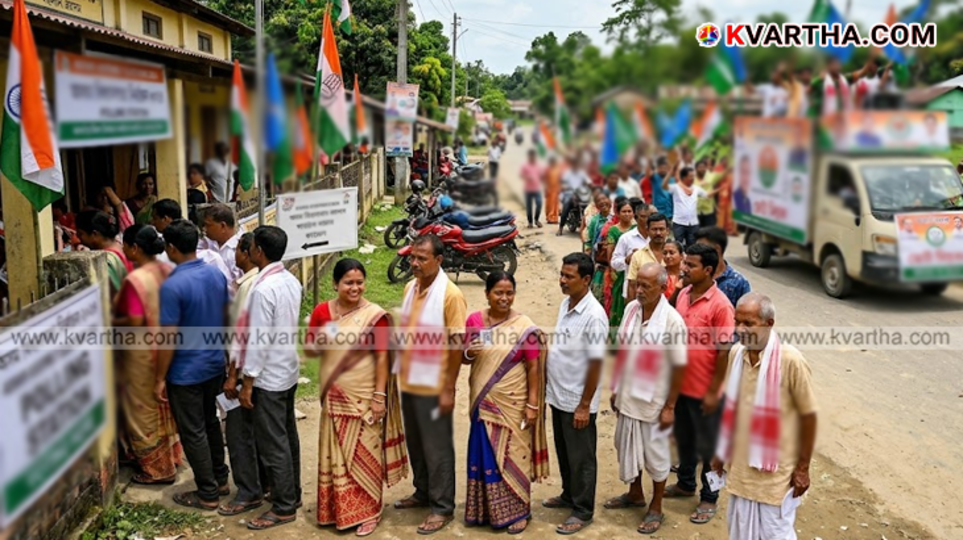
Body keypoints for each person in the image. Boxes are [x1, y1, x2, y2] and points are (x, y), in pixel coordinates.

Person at [305, 259, 408, 536]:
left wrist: (379, 396)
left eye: (359, 282)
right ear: (335, 284)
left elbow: (383, 358)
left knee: (366, 454)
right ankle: (337, 509)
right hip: (334, 393)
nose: (355, 287)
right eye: (348, 283)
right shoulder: (322, 311)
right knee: (335, 452)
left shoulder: (376, 317)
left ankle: (370, 511)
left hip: (364, 396)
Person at [713, 293, 817, 540]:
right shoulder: (737, 354)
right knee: (739, 528)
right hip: (740, 467)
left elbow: (808, 417)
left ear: (769, 324)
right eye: (738, 322)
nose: (740, 330)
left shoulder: (790, 360)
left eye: (748, 323)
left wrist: (803, 468)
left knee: (774, 532)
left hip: (775, 473)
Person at [463, 272, 550, 534]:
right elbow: (465, 357)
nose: (504, 298)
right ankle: (484, 510)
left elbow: (533, 367)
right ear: (487, 293)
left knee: (514, 454)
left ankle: (519, 510)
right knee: (484, 454)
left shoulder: (524, 326)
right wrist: (468, 352)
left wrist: (532, 405)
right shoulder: (475, 320)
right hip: (483, 400)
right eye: (498, 292)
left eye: (509, 292)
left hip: (513, 403)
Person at [393, 234, 467, 536]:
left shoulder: (450, 295)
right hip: (410, 377)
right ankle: (422, 491)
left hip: (435, 383)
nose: (414, 263)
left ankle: (442, 507)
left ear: (439, 260)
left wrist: (449, 388)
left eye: (422, 258)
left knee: (437, 446)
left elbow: (456, 346)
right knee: (416, 440)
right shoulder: (411, 288)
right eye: (413, 257)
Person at [155, 219, 231, 511]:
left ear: (171, 247)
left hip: (185, 371)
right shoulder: (215, 274)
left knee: (193, 430)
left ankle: (208, 492)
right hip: (214, 363)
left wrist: (159, 377)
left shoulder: (172, 285)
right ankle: (220, 479)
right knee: (210, 421)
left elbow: (168, 337)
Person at [607, 263, 687, 535]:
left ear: (663, 288)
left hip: (655, 399)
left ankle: (656, 505)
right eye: (637, 284)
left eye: (645, 286)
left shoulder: (673, 321)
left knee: (656, 454)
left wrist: (670, 407)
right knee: (626, 444)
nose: (638, 290)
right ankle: (634, 493)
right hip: (628, 394)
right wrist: (615, 388)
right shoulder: (631, 310)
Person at [235, 226, 304, 531]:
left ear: (259, 251)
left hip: (269, 376)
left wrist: (247, 382)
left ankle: (284, 505)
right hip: (285, 370)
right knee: (287, 435)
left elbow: (258, 340)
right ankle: (292, 494)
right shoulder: (290, 280)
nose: (247, 252)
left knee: (273, 441)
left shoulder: (264, 289)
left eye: (250, 248)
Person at [664, 243, 735, 526]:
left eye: (690, 265)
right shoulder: (681, 295)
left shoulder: (721, 306)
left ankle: (709, 497)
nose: (684, 269)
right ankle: (685, 483)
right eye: (684, 263)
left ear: (708, 270)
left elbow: (724, 351)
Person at [541, 253, 609, 535]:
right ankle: (568, 495)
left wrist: (584, 405)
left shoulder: (594, 317)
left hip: (577, 401)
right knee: (565, 451)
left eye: (569, 276)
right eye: (562, 274)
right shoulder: (566, 304)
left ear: (586, 280)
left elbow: (595, 363)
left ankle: (582, 509)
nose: (562, 280)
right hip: (558, 395)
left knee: (582, 457)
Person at [113, 224, 183, 485]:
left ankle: (157, 469)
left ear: (135, 248)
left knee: (142, 410)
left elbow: (133, 320)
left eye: (126, 245)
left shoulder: (135, 279)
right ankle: (172, 458)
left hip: (142, 353)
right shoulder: (167, 269)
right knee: (163, 406)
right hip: (167, 348)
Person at [218, 232, 269, 519]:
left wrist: (233, 377)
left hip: (244, 373)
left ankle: (249, 491)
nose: (234, 255)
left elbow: (242, 337)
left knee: (239, 434)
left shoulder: (250, 287)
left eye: (238, 249)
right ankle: (263, 485)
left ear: (247, 253)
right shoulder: (257, 282)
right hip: (260, 370)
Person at [596, 198, 637, 327]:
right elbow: (610, 252)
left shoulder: (637, 229)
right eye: (624, 211)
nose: (627, 214)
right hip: (618, 270)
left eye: (629, 211)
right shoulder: (613, 230)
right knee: (617, 300)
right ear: (618, 213)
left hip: (634, 269)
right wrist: (613, 270)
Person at [76, 210, 132, 297]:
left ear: (94, 234)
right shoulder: (120, 246)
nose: (79, 239)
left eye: (81, 234)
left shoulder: (106, 259)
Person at [695, 226, 752, 307]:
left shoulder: (738, 282)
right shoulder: (694, 275)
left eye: (702, 248)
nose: (697, 252)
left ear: (717, 249)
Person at [611, 201, 653, 302]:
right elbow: (614, 263)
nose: (647, 220)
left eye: (649, 216)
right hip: (632, 288)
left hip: (653, 288)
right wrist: (627, 260)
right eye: (643, 216)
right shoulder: (626, 238)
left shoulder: (656, 238)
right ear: (636, 217)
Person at [665, 165, 711, 249]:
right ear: (683, 177)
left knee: (692, 247)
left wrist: (720, 188)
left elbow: (707, 195)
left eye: (694, 176)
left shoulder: (696, 188)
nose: (693, 178)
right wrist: (670, 172)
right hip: (679, 223)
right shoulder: (676, 188)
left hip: (693, 223)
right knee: (678, 246)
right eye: (690, 176)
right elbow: (664, 186)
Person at [626, 213, 669, 301]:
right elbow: (632, 285)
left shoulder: (675, 255)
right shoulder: (637, 256)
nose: (658, 233)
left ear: (667, 231)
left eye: (661, 229)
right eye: (654, 229)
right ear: (647, 230)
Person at [201, 203, 244, 285]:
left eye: (208, 225)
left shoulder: (237, 251)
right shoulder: (206, 244)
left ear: (222, 226)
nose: (205, 229)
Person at [557, 157, 591, 236]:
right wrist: (565, 187)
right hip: (569, 193)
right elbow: (562, 183)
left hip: (580, 194)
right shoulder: (567, 173)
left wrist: (592, 186)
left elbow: (589, 181)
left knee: (590, 205)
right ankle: (560, 227)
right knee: (566, 205)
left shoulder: (582, 173)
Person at [520, 149, 545, 228]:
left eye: (534, 156)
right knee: (529, 207)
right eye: (531, 156)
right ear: (529, 157)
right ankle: (530, 222)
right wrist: (528, 177)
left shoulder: (538, 166)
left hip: (536, 189)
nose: (533, 158)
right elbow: (521, 175)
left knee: (539, 203)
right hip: (528, 190)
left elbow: (541, 176)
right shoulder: (525, 166)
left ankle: (536, 219)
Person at [714, 156, 738, 236]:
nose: (726, 162)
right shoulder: (718, 168)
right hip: (722, 193)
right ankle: (720, 229)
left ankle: (730, 230)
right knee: (722, 212)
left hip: (731, 193)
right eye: (725, 161)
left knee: (730, 212)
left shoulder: (731, 170)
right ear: (722, 161)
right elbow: (717, 179)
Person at [585, 192, 614, 257]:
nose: (602, 201)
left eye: (604, 198)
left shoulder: (617, 217)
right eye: (598, 201)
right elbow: (590, 239)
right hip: (600, 252)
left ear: (610, 200)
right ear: (596, 206)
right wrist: (588, 251)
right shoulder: (594, 221)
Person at [662, 240, 684, 304]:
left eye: (671, 253)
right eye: (665, 253)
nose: (668, 256)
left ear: (681, 256)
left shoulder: (687, 275)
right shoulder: (659, 274)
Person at [545, 154, 563, 224]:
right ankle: (549, 217)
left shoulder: (558, 169)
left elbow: (561, 179)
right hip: (550, 188)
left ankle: (555, 218)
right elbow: (545, 179)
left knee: (555, 204)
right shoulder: (548, 169)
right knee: (550, 204)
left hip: (556, 188)